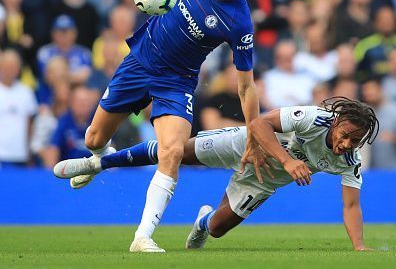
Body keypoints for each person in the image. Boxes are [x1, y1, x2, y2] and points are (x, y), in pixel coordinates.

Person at [66, 0, 264, 253]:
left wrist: (253, 132)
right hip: (140, 61)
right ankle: (99, 160)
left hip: (177, 81)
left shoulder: (239, 21)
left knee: (171, 151)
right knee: (94, 139)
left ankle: (142, 236)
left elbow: (247, 87)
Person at [53, 97, 378, 251]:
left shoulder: (350, 160)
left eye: (354, 140)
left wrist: (359, 248)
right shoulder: (314, 118)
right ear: (336, 122)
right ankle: (99, 163)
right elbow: (258, 122)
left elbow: (351, 206)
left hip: (263, 180)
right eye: (345, 134)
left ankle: (202, 222)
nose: (346, 143)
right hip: (245, 145)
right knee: (176, 151)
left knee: (219, 229)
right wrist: (288, 161)